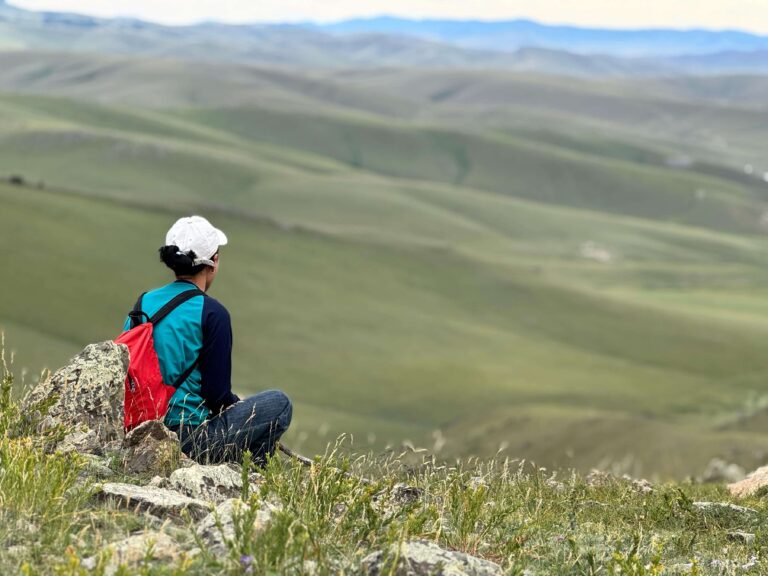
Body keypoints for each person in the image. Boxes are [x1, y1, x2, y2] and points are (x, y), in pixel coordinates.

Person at [124, 215, 292, 464]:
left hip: (138, 431)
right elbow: (217, 396)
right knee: (280, 404)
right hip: (188, 439)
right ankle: (248, 474)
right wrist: (240, 406)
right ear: (213, 262)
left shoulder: (143, 302)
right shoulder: (213, 313)